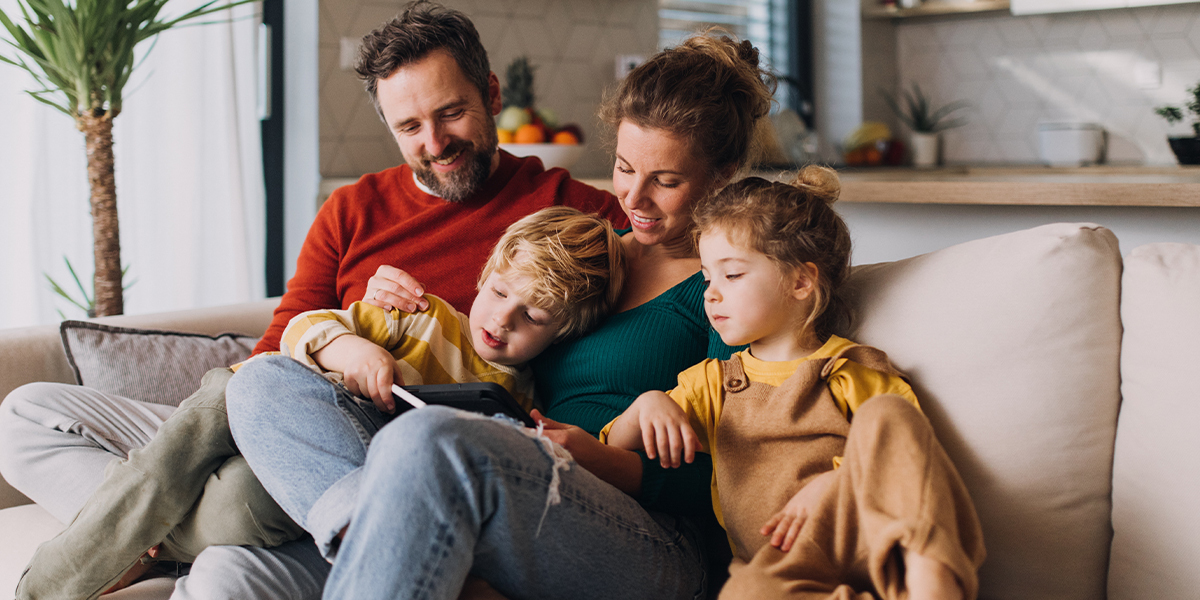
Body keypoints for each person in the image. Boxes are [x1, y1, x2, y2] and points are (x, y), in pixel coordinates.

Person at [0, 1, 624, 598]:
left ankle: (120, 539)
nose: (434, 142)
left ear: (491, 94)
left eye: (451, 113)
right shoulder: (353, 209)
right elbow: (276, 345)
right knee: (24, 414)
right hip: (280, 403)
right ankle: (148, 532)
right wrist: (345, 344)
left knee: (246, 503)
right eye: (409, 126)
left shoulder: (574, 214)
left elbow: (656, 287)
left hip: (367, 454)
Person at [228, 29, 776, 599]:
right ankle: (376, 528)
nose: (633, 198)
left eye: (665, 181)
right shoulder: (588, 253)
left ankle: (390, 529)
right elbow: (493, 342)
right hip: (517, 490)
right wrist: (383, 319)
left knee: (429, 439)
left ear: (723, 173)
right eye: (622, 168)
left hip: (651, 537)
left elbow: (747, 474)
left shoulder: (729, 286)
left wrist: (607, 461)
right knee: (262, 384)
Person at [602, 169, 987, 599]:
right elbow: (616, 444)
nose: (709, 294)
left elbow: (909, 457)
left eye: (731, 275)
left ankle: (930, 579)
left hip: (869, 534)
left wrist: (835, 484)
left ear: (801, 281)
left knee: (888, 414)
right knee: (742, 593)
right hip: (783, 563)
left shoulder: (851, 369)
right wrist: (649, 404)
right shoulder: (711, 384)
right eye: (707, 278)